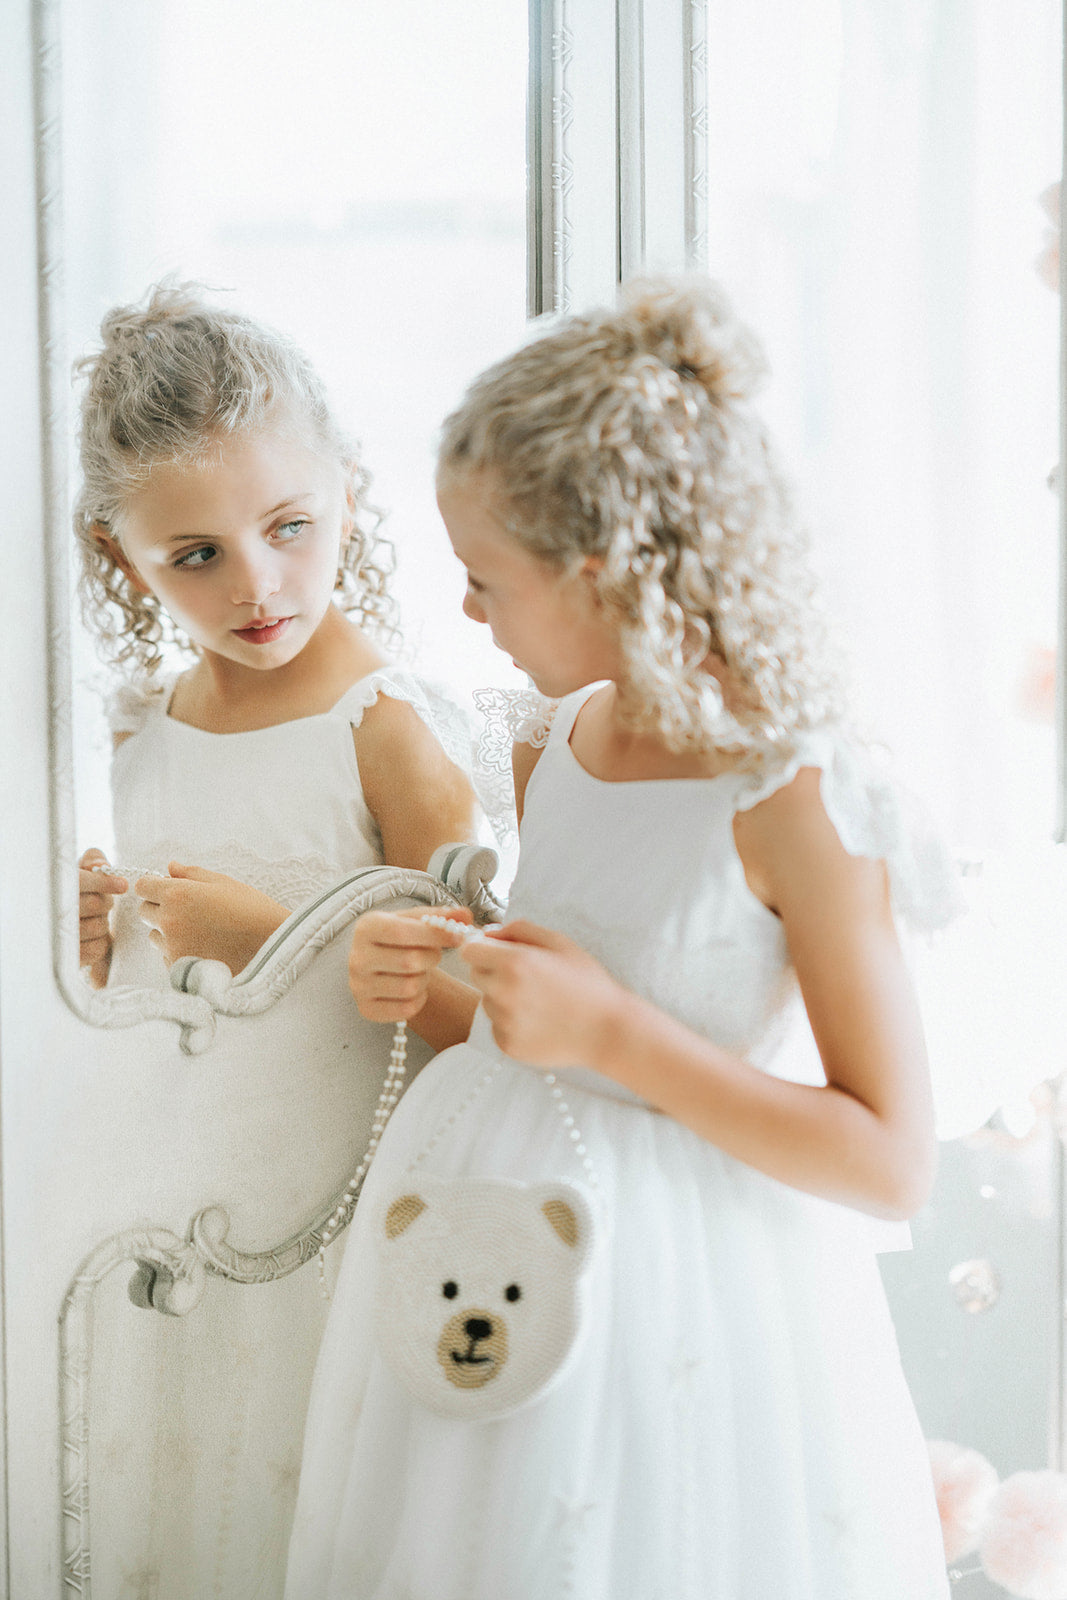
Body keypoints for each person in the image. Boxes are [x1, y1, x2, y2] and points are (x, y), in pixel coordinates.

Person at [285, 278, 956, 1599]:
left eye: (485, 580)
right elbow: (545, 1015)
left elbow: (888, 1163)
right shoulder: (556, 741)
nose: (468, 612)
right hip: (495, 1247)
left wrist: (610, 1033)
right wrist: (433, 977)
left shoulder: (792, 794)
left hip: (686, 1292)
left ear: (595, 580)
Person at [74, 280, 477, 991]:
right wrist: (97, 950)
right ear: (124, 560)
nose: (256, 587)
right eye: (199, 554)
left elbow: (456, 1009)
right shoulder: (140, 728)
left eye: (288, 526)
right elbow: (151, 991)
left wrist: (270, 942)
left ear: (345, 499)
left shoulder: (391, 731)